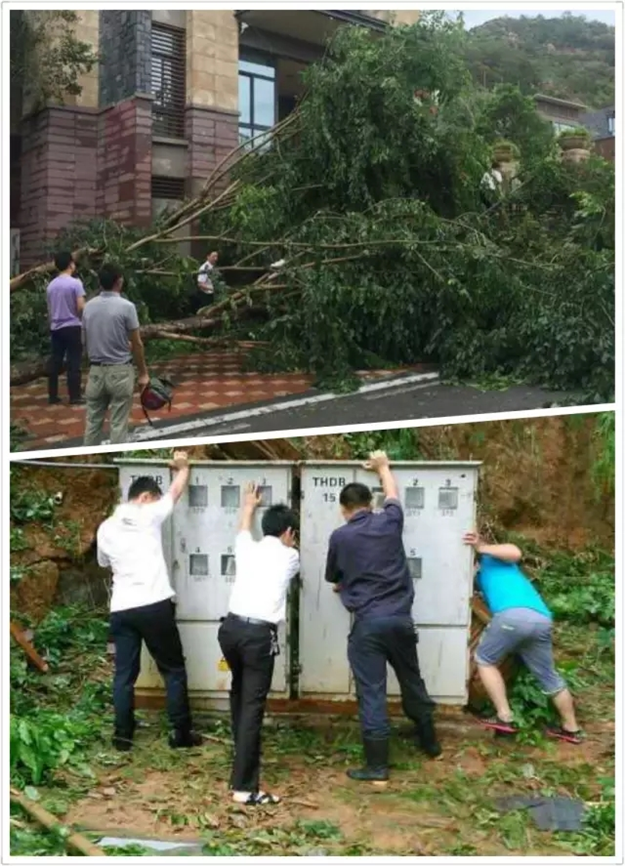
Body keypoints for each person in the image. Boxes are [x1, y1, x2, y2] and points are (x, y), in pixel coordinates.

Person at [325, 451, 440, 782]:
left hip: (369, 626)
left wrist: (346, 584)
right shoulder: (389, 521)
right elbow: (393, 495)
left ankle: (377, 766)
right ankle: (430, 743)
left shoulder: (340, 535)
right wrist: (383, 467)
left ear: (344, 510)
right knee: (411, 679)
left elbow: (334, 577)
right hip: (401, 620)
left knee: (373, 691)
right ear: (370, 505)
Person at [97, 451, 203, 751]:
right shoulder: (149, 514)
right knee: (172, 670)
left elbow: (104, 562)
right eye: (153, 499)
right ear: (145, 497)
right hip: (154, 604)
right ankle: (181, 735)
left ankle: (122, 737)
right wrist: (183, 466)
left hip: (122, 609)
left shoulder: (105, 527)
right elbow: (175, 491)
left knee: (124, 676)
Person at [217, 483, 300, 806]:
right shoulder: (290, 556)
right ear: (289, 532)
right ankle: (244, 787)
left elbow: (242, 529)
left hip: (230, 630)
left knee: (240, 693)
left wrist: (249, 505)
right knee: (252, 706)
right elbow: (285, 559)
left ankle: (241, 754)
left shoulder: (247, 547)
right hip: (257, 638)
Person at [463, 531, 582, 743]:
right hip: (541, 620)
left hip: (513, 616)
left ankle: (504, 717)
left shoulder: (494, 557)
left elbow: (515, 552)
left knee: (485, 660)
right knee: (549, 676)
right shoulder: (481, 575)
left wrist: (482, 547)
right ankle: (571, 728)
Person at [82, 263, 149, 446]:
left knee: (92, 423)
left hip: (95, 371)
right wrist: (143, 373)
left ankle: (89, 458)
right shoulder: (127, 307)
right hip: (120, 370)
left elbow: (86, 340)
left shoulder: (88, 307)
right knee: (119, 424)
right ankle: (116, 457)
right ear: (119, 281)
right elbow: (136, 343)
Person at [46, 251, 86, 405]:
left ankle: (53, 395)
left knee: (55, 362)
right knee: (74, 362)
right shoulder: (75, 283)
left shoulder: (51, 286)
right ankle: (74, 396)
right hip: (72, 326)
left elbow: (50, 310)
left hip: (56, 327)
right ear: (71, 264)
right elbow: (80, 306)